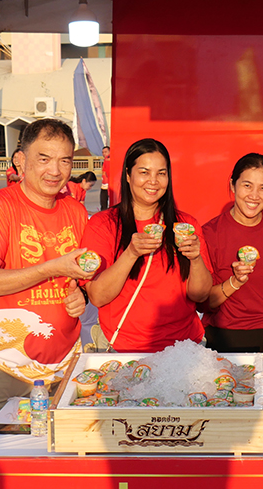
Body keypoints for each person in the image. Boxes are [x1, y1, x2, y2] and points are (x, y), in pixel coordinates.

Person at [0, 120, 91, 429]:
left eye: (65, 161)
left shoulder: (75, 211)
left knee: (62, 450)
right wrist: (52, 267)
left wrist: (82, 295)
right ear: (21, 160)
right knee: (8, 452)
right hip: (9, 366)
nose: (55, 171)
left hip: (63, 363)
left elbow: (82, 277)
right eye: (44, 159)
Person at [81, 138, 212, 352]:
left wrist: (196, 259)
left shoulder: (186, 225)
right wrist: (131, 253)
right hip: (123, 347)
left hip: (184, 348)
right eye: (144, 172)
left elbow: (200, 295)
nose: (153, 181)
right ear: (127, 175)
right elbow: (97, 296)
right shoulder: (103, 224)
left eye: (161, 173)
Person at [201, 153, 263, 398]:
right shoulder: (210, 233)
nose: (254, 195)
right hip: (227, 338)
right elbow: (204, 302)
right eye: (247, 185)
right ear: (232, 185)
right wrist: (234, 282)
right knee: (230, 410)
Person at [99, 145, 111, 210]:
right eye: (103, 152)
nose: (104, 154)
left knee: (103, 203)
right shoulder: (106, 159)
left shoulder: (108, 159)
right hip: (105, 184)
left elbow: (108, 173)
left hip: (107, 184)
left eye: (105, 152)